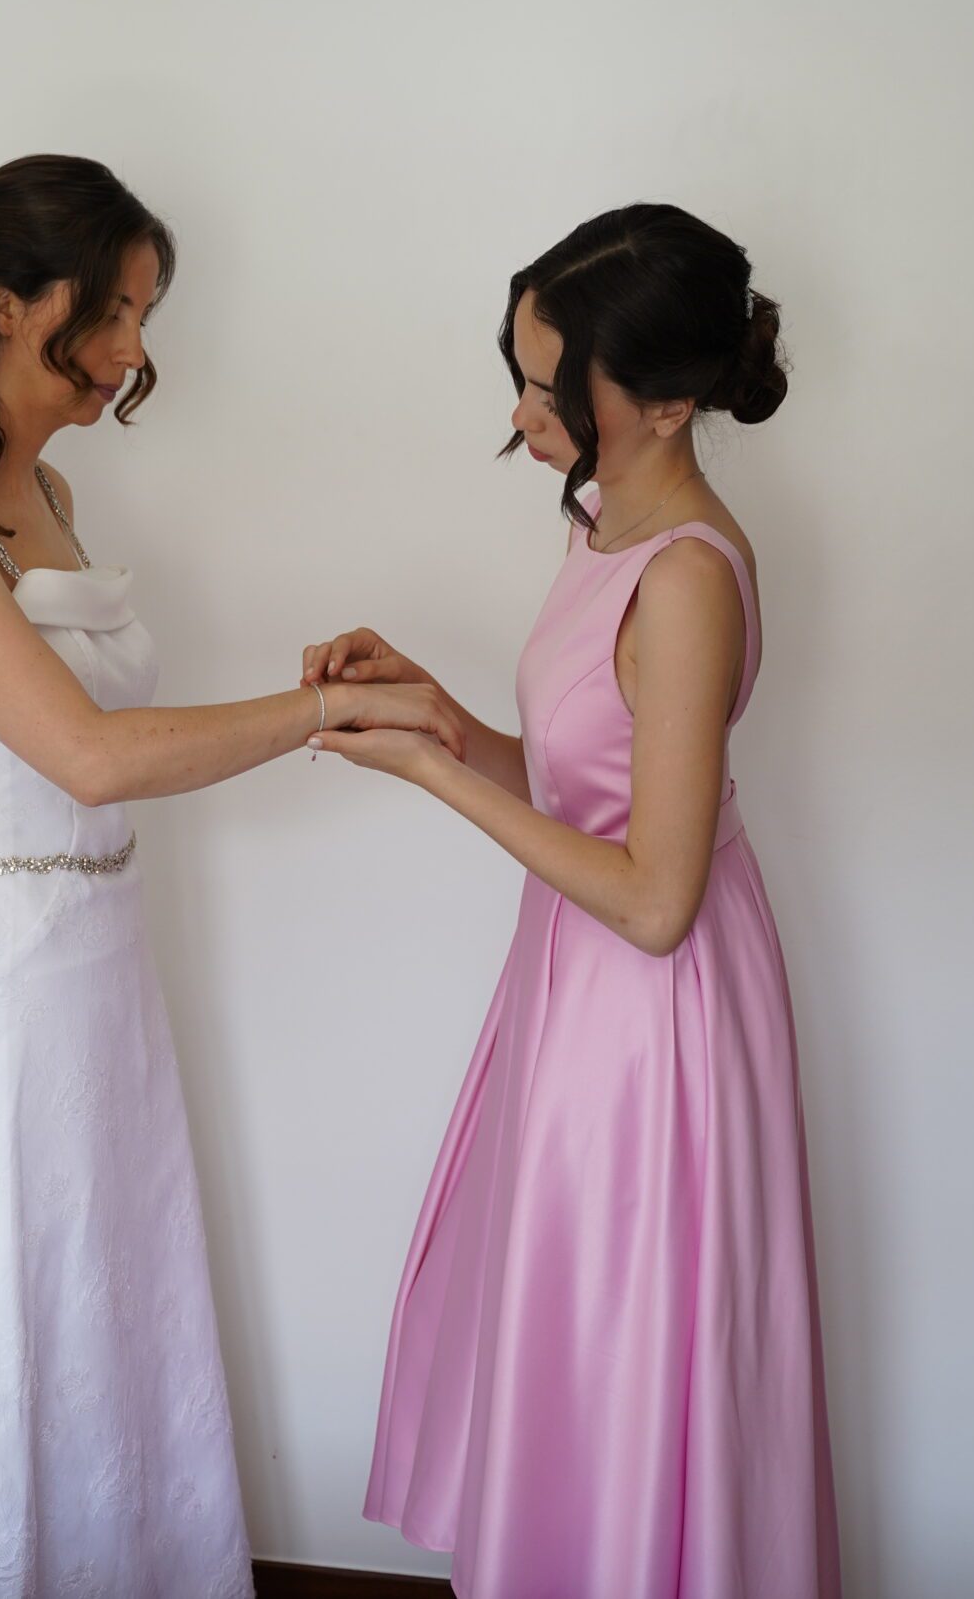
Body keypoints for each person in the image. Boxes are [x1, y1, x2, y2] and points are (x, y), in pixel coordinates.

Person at [0, 153, 460, 1599]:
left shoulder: (47, 487)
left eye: (145, 316)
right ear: (9, 302)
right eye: (116, 311)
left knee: (93, 1307)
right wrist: (323, 712)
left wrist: (317, 697)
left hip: (91, 966)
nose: (135, 351)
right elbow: (86, 754)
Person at [314, 203, 842, 1597]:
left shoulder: (687, 579)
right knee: (574, 1344)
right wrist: (432, 710)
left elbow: (658, 900)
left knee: (629, 1344)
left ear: (665, 402)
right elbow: (575, 779)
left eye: (552, 385)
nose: (524, 411)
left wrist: (434, 774)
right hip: (574, 983)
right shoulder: (607, 523)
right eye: (522, 371)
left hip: (652, 1015)